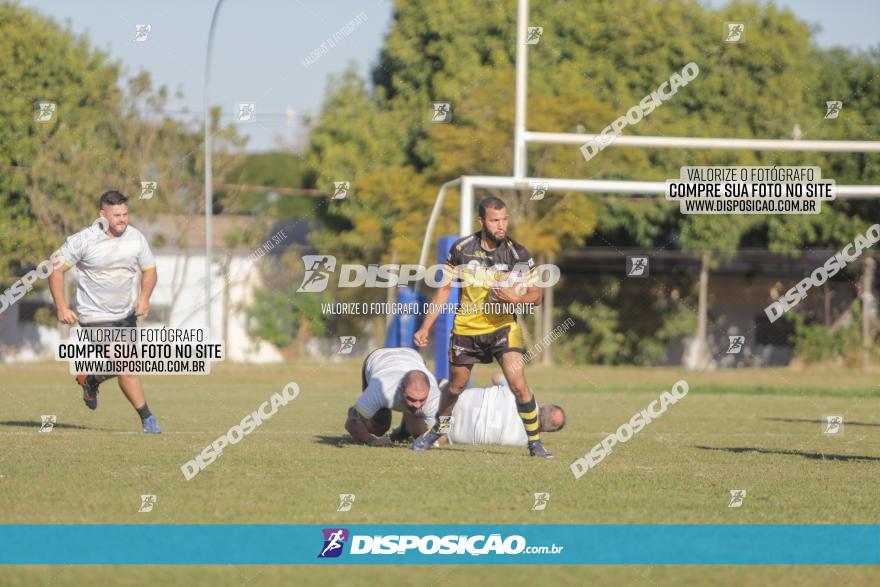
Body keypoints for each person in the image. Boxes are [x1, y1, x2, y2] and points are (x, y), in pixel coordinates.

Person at [412, 196, 552, 457]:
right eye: (495, 220)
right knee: (455, 388)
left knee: (518, 383)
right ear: (482, 221)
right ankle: (437, 432)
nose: (501, 225)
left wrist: (516, 298)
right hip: (467, 329)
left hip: (503, 329)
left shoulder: (518, 254)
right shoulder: (461, 249)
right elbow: (443, 290)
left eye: (504, 219)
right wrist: (425, 327)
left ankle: (535, 443)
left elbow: (537, 296)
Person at [47, 190, 161, 433]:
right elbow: (55, 270)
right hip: (94, 317)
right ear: (103, 215)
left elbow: (150, 271)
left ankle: (90, 379)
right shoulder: (84, 240)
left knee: (127, 364)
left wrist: (144, 297)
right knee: (127, 365)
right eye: (116, 215)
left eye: (125, 214)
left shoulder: (136, 238)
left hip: (125, 315)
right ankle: (148, 420)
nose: (122, 219)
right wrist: (61, 306)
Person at [427, 374, 565, 447]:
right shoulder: (521, 441)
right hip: (447, 432)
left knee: (435, 384)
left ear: (541, 405)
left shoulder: (523, 392)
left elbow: (496, 376)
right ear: (544, 432)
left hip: (449, 399)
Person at [345, 347, 442, 447]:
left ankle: (402, 431)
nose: (417, 405)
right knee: (379, 427)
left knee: (419, 432)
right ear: (401, 390)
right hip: (379, 357)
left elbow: (444, 425)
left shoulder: (434, 396)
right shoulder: (380, 389)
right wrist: (372, 441)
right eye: (411, 399)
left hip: (412, 355)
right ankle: (358, 410)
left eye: (422, 400)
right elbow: (352, 423)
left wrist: (432, 439)